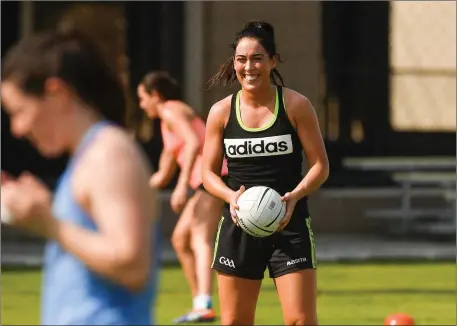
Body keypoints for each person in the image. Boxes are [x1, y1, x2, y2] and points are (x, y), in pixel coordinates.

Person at [1, 30, 160, 325]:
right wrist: (41, 207)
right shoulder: (90, 157)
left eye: (19, 111)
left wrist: (48, 221)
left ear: (57, 93)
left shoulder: (109, 153)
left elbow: (131, 264)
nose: (17, 129)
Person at [202, 21, 330, 325]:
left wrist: (295, 196)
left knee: (300, 320)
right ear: (233, 63)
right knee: (234, 322)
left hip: (289, 224)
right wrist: (230, 196)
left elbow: (320, 166)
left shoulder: (296, 105)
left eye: (257, 58)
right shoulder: (221, 112)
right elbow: (207, 173)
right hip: (238, 228)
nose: (249, 67)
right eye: (241, 59)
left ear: (273, 61)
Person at [137, 71, 228, 323]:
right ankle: (200, 303)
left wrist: (181, 187)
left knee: (200, 238)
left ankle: (205, 305)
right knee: (180, 239)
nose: (141, 105)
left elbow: (192, 143)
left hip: (212, 177)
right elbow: (162, 173)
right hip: (205, 179)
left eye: (142, 98)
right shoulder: (169, 121)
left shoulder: (170, 111)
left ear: (155, 95)